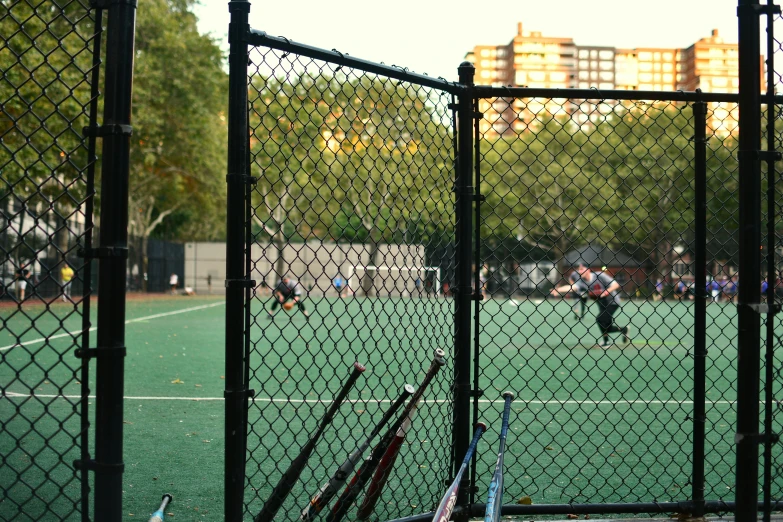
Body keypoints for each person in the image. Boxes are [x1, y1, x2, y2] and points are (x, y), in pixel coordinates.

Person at [550, 261, 630, 348]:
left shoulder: (599, 276)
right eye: (579, 270)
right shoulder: (581, 282)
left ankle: (606, 342)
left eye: (582, 269)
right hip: (602, 304)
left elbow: (615, 285)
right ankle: (624, 329)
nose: (579, 272)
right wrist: (559, 290)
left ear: (588, 270)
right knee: (607, 326)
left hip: (612, 302)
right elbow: (572, 287)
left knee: (600, 319)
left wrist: (605, 293)